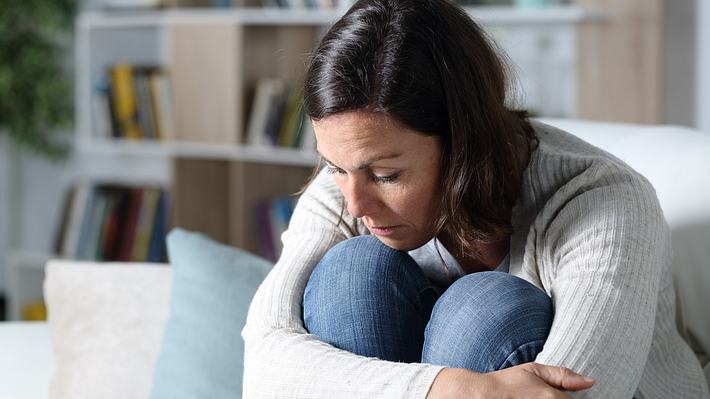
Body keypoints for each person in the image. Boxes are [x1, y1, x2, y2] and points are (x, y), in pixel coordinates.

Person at [242, 0, 710, 397]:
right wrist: (451, 388)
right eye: (336, 167)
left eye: (386, 175)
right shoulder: (344, 189)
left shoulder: (603, 201)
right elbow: (262, 367)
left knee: (488, 306)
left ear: (465, 144)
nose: (356, 204)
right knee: (353, 269)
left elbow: (579, 391)